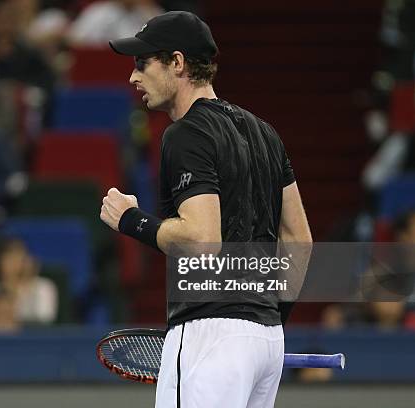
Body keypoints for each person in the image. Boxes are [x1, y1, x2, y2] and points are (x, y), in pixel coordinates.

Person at [101, 11, 312, 408]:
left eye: (142, 63)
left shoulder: (184, 134)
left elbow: (202, 239)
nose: (133, 77)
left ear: (177, 63)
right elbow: (299, 240)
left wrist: (130, 220)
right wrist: (266, 317)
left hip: (211, 335)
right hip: (265, 341)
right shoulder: (266, 133)